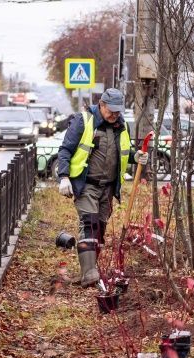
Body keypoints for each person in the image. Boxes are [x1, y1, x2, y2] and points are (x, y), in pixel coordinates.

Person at [56, 88, 147, 287]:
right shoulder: (84, 121)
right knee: (89, 223)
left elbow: (123, 151)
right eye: (111, 110)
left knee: (99, 229)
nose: (114, 115)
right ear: (101, 105)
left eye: (118, 111)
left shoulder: (122, 126)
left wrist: (136, 156)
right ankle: (89, 274)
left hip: (108, 188)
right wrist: (63, 177)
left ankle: (91, 267)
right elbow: (65, 150)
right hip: (86, 184)